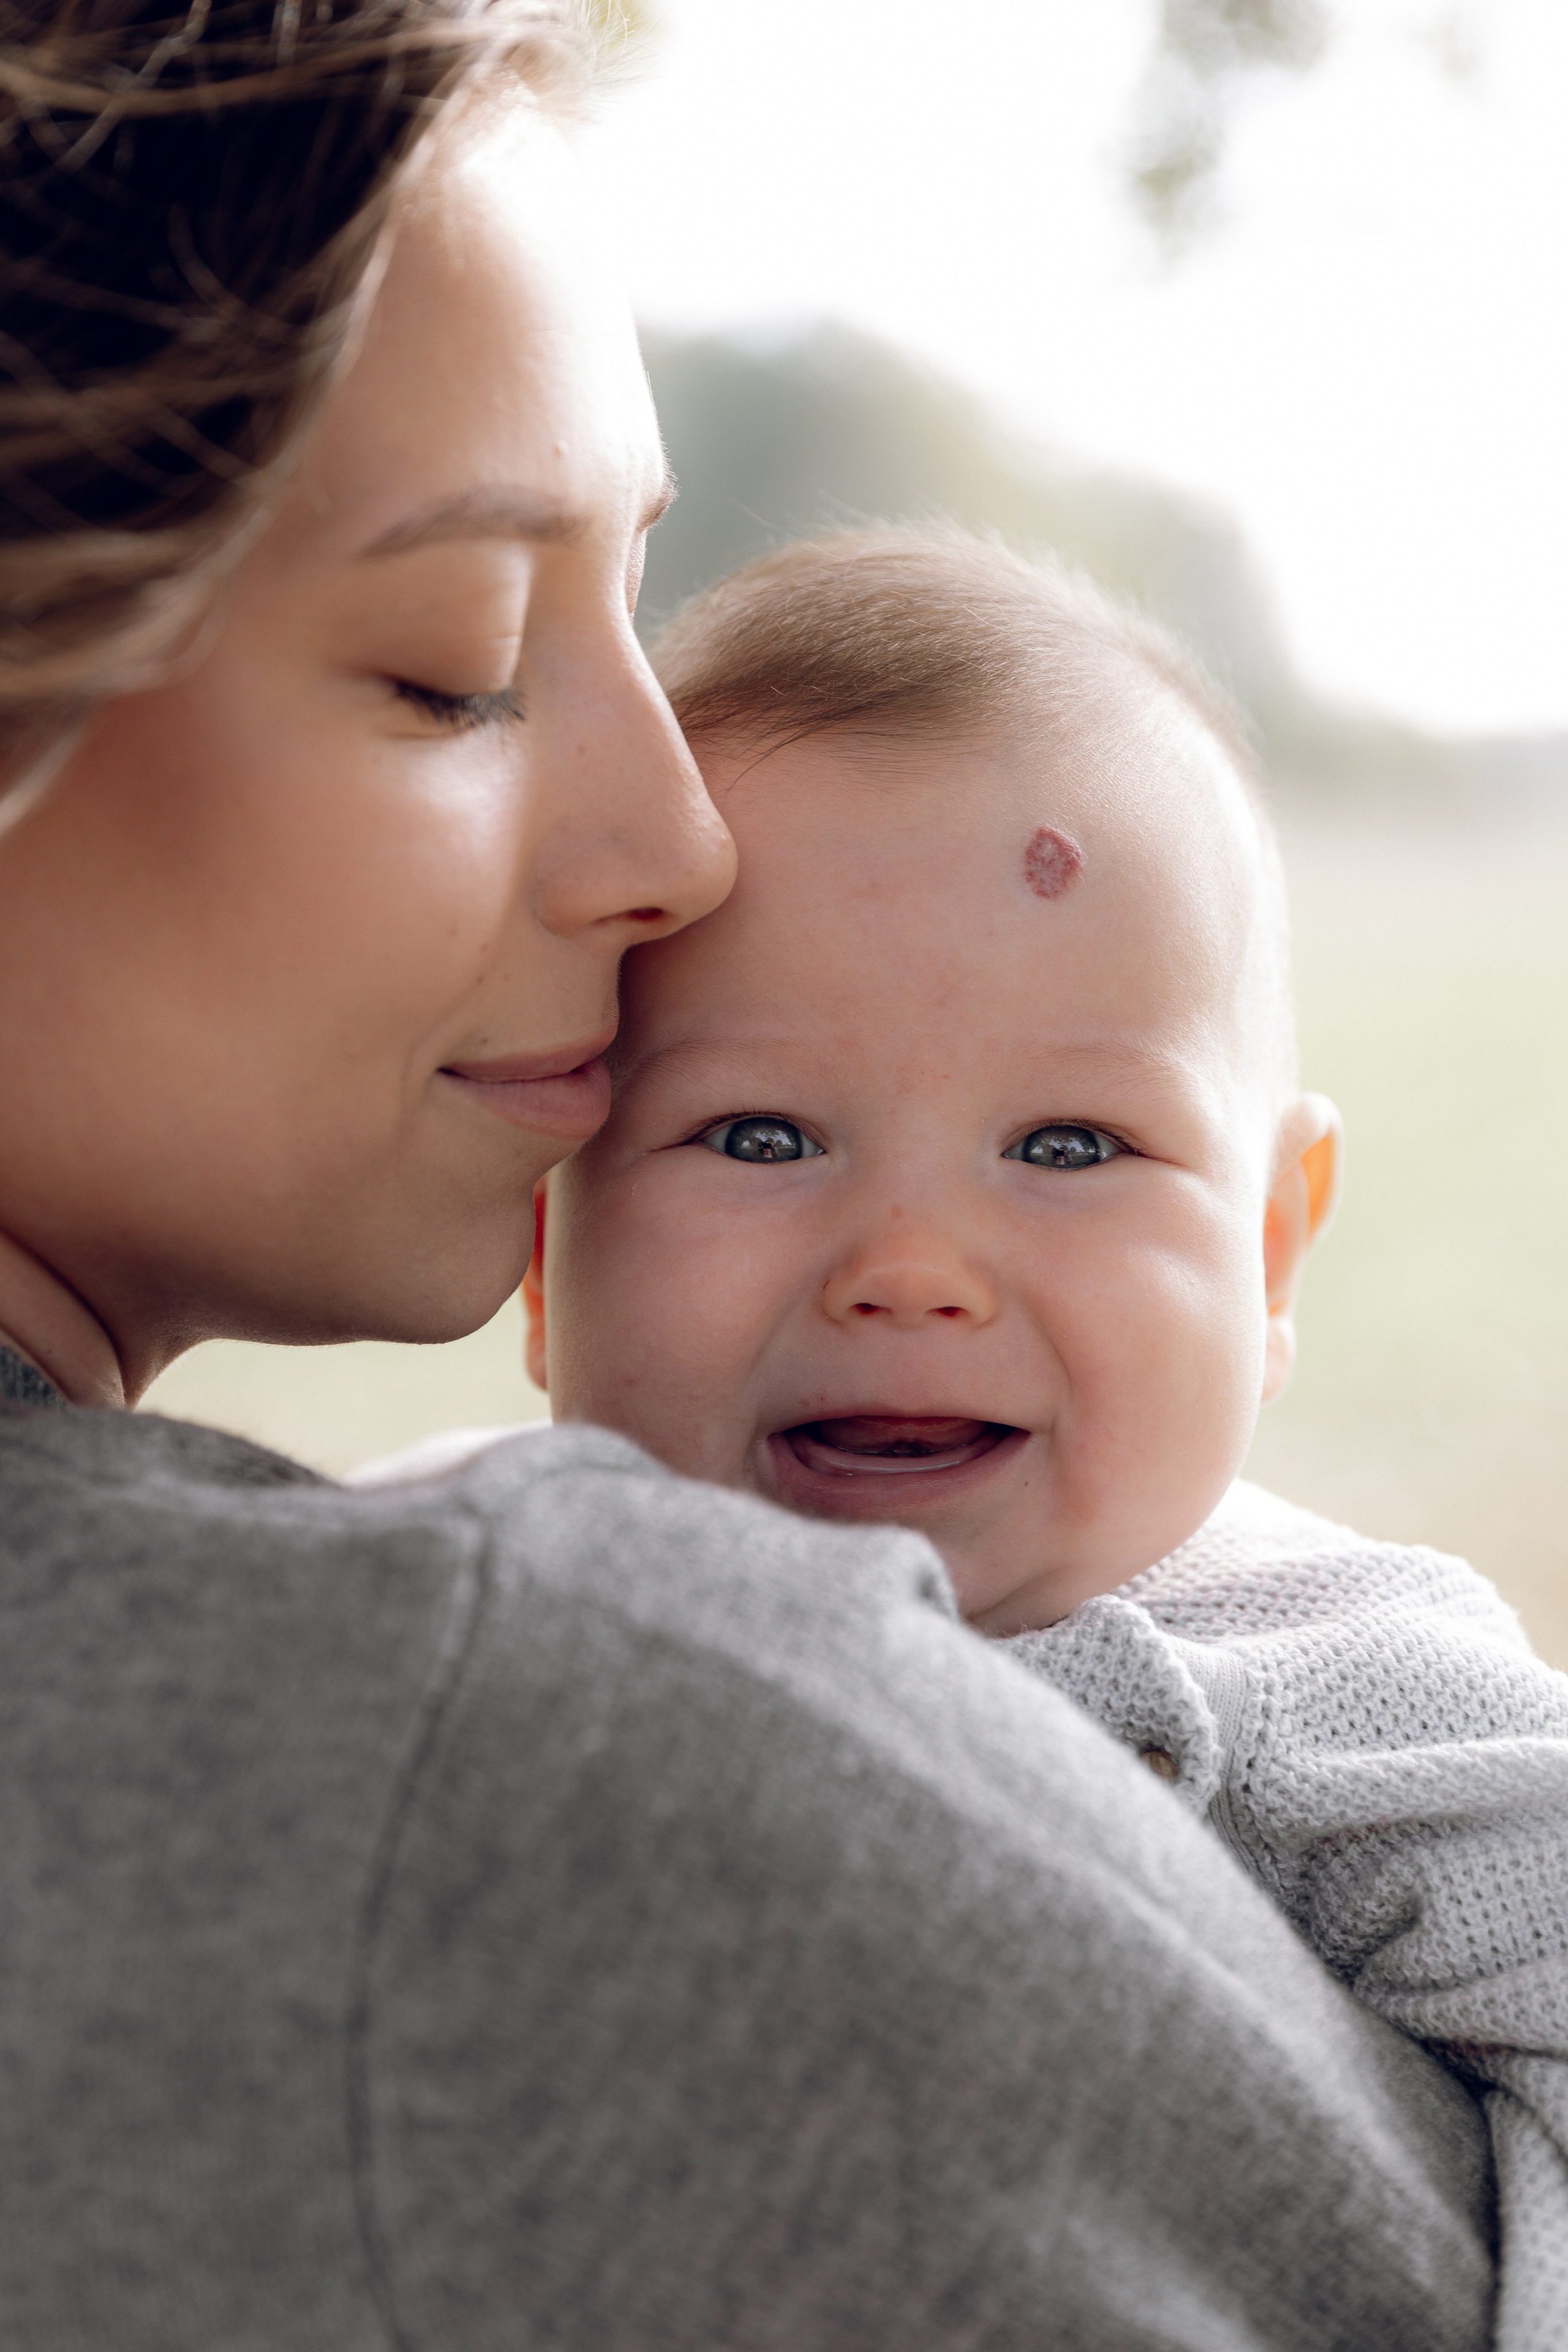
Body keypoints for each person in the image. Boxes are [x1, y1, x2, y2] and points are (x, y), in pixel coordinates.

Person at [0, 4, 1497, 2345]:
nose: (676, 839)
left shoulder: (1365, 1702)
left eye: (1079, 1144)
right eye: (465, 663)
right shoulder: (541, 1745)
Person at [523, 529, 1568, 2348]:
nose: (912, 1271)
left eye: (1072, 1149)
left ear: (1267, 1250)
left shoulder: (1351, 1695)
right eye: (761, 1137)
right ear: (544, 1246)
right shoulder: (461, 1607)